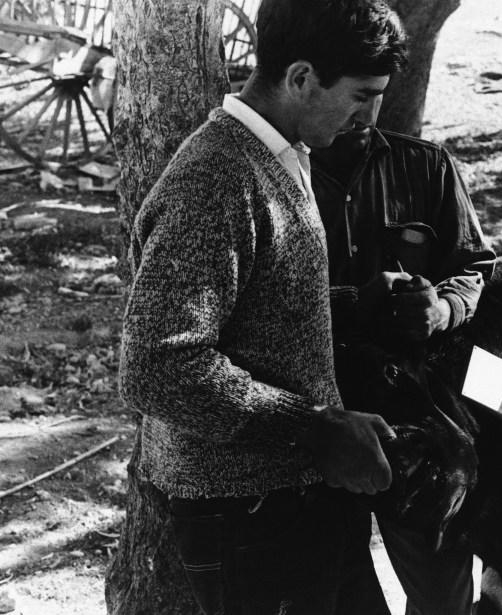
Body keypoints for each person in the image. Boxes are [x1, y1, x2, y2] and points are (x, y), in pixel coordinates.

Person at [117, 1, 407, 614]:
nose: (371, 115)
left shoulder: (280, 153)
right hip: (248, 512)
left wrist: (352, 305)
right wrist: (313, 427)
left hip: (298, 495)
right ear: (301, 78)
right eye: (362, 93)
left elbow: (249, 307)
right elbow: (158, 365)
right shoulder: (217, 175)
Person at [310, 112, 495, 614]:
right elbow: (262, 301)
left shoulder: (426, 165)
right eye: (354, 92)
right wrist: (356, 300)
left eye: (376, 93)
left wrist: (442, 309)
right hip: (316, 415)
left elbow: (474, 266)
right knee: (333, 584)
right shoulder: (281, 171)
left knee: (443, 593)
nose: (361, 112)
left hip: (415, 414)